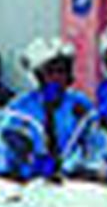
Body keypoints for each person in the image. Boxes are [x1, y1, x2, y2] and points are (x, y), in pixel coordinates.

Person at [9, 37, 94, 169]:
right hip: (29, 176)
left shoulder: (80, 103)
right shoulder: (21, 105)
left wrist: (73, 164)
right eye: (50, 72)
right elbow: (7, 144)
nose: (57, 77)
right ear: (38, 76)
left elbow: (93, 142)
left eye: (61, 71)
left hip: (69, 176)